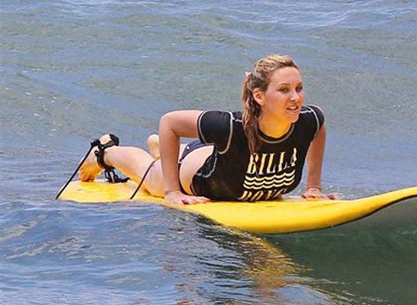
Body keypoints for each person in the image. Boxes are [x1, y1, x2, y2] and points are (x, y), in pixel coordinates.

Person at [79, 54, 338, 205]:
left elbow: (320, 124)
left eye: (299, 88)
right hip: (192, 175)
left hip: (215, 156)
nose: (296, 97)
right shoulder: (230, 126)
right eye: (284, 90)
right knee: (152, 179)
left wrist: (313, 186)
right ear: (259, 96)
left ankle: (162, 147)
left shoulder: (309, 121)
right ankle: (104, 152)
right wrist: (172, 192)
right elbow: (170, 122)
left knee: (179, 152)